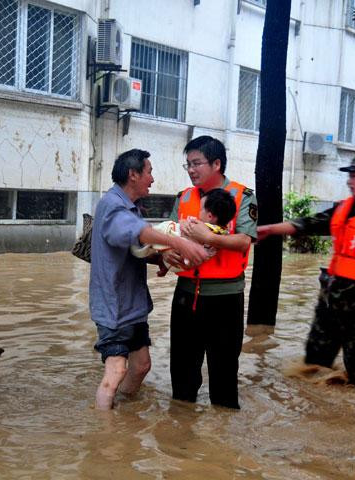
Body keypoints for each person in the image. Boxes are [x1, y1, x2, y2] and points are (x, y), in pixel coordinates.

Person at [258, 156, 355, 387]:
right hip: (331, 296)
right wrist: (270, 229)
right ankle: (315, 408)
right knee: (315, 363)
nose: (350, 181)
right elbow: (309, 224)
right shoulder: (342, 209)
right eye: (350, 176)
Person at [89, 149, 207, 410]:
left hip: (132, 306)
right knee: (117, 370)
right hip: (114, 307)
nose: (152, 179)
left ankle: (120, 409)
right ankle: (104, 435)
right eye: (149, 172)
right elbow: (138, 233)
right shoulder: (112, 205)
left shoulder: (130, 208)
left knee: (141, 366)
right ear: (133, 175)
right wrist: (179, 243)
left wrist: (161, 260)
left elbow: (133, 248)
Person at [162, 136, 257, 409]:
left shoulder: (242, 195)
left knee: (224, 376)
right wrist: (165, 254)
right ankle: (181, 440)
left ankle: (223, 444)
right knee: (181, 378)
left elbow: (243, 242)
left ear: (216, 164)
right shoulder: (184, 198)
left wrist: (209, 237)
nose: (191, 170)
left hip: (226, 299)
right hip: (186, 297)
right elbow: (167, 238)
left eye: (197, 163)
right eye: (188, 164)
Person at [131, 188, 237, 274]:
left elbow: (185, 229)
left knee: (167, 227)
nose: (198, 212)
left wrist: (182, 223)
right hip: (182, 265)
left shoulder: (201, 227)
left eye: (201, 209)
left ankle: (141, 238)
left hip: (175, 258)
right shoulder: (223, 233)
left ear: (209, 216)